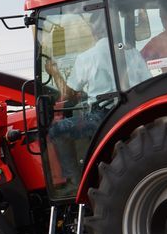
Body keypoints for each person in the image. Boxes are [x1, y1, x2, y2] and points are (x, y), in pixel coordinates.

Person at [44, 11, 149, 187]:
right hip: (133, 111)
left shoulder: (87, 57)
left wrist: (54, 72)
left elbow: (68, 95)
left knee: (56, 131)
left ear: (94, 31)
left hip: (102, 117)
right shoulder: (132, 53)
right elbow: (146, 81)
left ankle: (76, 181)